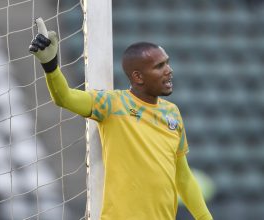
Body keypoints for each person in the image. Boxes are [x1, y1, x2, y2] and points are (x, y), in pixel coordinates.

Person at [29, 19, 213, 220]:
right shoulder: (113, 104)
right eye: (159, 66)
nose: (169, 70)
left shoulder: (172, 113)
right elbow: (65, 98)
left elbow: (183, 176)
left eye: (167, 63)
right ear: (138, 77)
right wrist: (50, 66)